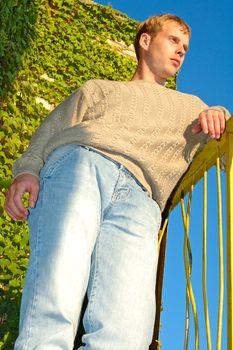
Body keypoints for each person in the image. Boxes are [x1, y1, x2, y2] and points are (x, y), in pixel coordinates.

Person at [4, 14, 230, 350]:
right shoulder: (99, 89)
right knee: (56, 303)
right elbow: (50, 130)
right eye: (173, 41)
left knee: (125, 335)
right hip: (79, 165)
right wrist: (27, 170)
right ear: (145, 41)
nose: (181, 52)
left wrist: (221, 114)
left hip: (141, 199)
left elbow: (225, 151)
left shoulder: (193, 109)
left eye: (185, 48)